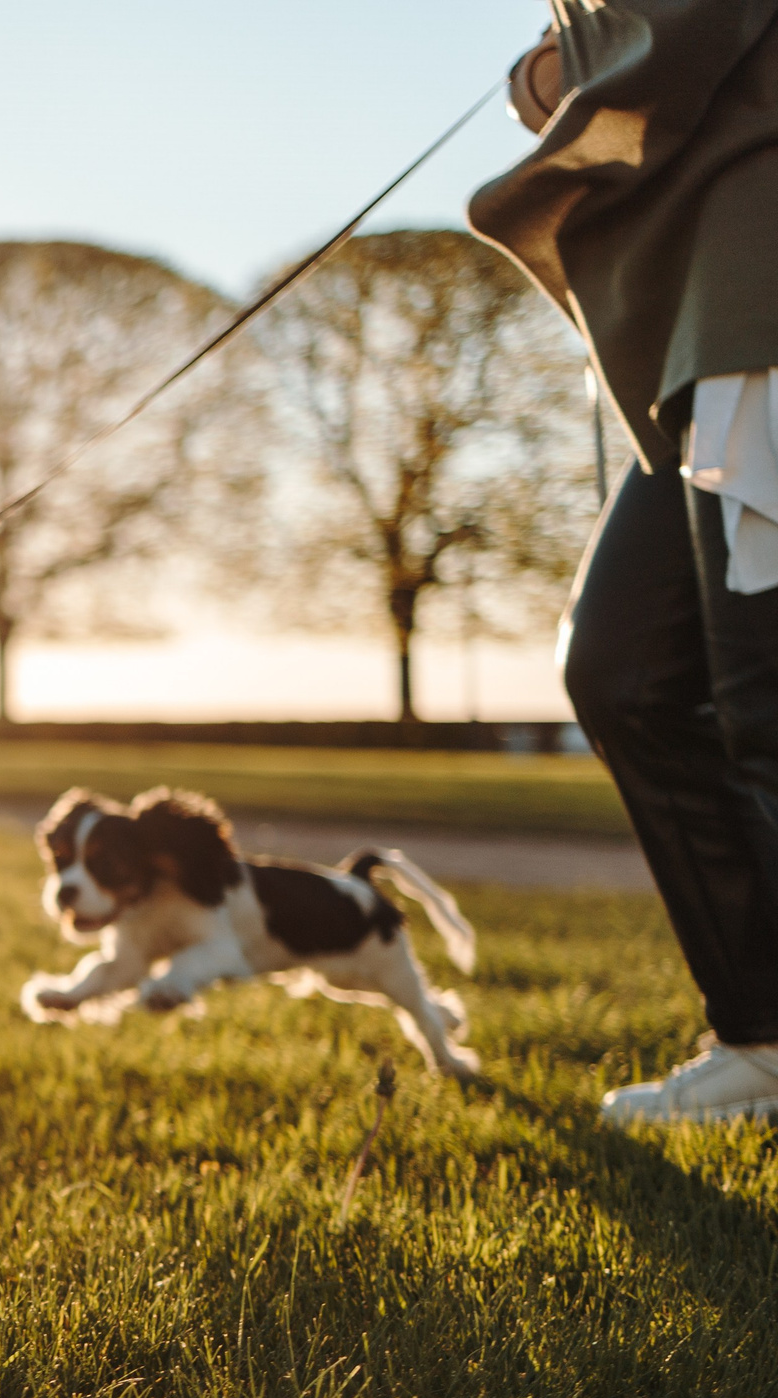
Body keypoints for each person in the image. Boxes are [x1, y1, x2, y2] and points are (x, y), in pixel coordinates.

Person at [470, 0, 778, 1125]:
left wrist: (555, 72)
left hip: (763, 300)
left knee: (768, 703)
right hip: (700, 326)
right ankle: (761, 1034)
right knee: (623, 670)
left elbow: (688, 23)